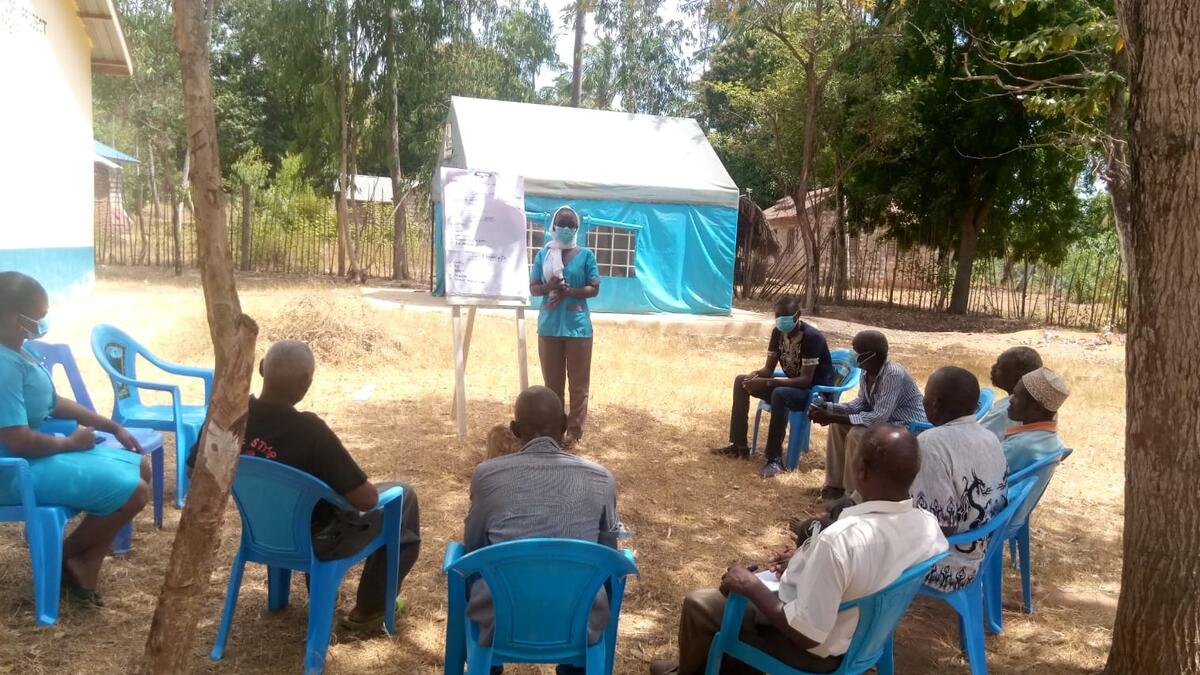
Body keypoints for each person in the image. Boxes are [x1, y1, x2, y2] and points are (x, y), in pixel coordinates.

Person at [649, 424, 947, 675]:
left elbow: (807, 634)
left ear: (861, 469)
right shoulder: (927, 526)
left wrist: (752, 587)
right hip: (863, 634)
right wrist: (805, 559)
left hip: (818, 651)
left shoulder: (840, 541)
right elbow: (868, 563)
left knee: (700, 605)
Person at [190, 340, 422, 631]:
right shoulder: (310, 431)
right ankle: (371, 609)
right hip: (319, 541)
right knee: (405, 497)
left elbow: (193, 471)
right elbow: (365, 500)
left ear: (263, 368)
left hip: (260, 531)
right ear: (306, 381)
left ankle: (321, 592)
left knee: (313, 502)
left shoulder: (227, 417)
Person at [0, 271, 151, 606]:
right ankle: (63, 559)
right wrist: (70, 444)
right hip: (13, 472)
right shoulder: (3, 365)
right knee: (136, 491)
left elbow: (53, 402)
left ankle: (79, 561)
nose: (42, 323)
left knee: (142, 466)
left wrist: (111, 426)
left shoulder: (19, 351)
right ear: (13, 318)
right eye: (37, 318)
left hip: (36, 459)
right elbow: (16, 439)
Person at [463, 385, 620, 675]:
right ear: (563, 425)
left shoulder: (486, 476)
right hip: (579, 621)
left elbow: (472, 545)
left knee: (473, 570)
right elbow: (609, 554)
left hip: (500, 621)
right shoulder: (602, 479)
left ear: (514, 429)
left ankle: (489, 666)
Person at [712, 296, 835, 478]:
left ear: (798, 315)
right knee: (741, 381)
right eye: (778, 315)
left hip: (814, 394)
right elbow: (768, 370)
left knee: (779, 393)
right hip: (792, 388)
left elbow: (805, 381)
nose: (781, 320)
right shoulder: (778, 333)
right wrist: (755, 375)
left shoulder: (812, 337)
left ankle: (774, 459)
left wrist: (769, 382)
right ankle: (738, 446)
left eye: (786, 316)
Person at [909, 367, 1008, 592]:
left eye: (926, 396)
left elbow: (941, 527)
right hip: (982, 549)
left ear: (935, 403)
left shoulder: (931, 444)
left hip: (946, 565)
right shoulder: (989, 437)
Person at [809, 330, 926, 501]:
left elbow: (878, 417)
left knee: (857, 434)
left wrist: (832, 416)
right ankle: (834, 486)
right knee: (837, 426)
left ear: (872, 355)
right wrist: (830, 408)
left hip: (907, 426)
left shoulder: (893, 374)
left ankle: (852, 496)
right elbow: (860, 404)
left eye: (856, 351)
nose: (852, 354)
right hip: (887, 423)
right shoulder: (867, 371)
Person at [529, 206, 601, 449]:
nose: (567, 229)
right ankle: (555, 430)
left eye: (571, 225)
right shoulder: (543, 255)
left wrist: (571, 291)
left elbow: (594, 287)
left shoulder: (586, 256)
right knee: (552, 385)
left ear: (577, 228)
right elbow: (533, 288)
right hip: (549, 327)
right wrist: (550, 286)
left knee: (579, 385)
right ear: (553, 226)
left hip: (578, 329)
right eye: (562, 223)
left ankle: (574, 432)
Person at [1003, 367, 1070, 473]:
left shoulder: (1019, 445)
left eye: (1016, 396)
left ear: (1036, 408)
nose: (1011, 400)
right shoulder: (1055, 441)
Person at [980, 346, 1044, 440]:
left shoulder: (1008, 412)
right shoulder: (1031, 405)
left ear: (1018, 378)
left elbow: (976, 439)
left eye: (999, 367)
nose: (993, 368)